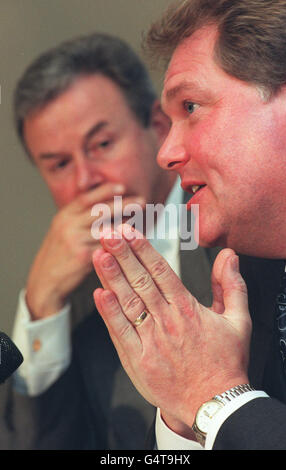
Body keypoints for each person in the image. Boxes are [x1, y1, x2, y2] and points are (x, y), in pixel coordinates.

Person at [0, 32, 219, 449]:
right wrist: (42, 303)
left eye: (102, 144)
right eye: (60, 164)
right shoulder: (76, 290)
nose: (86, 180)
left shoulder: (234, 227)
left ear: (157, 127)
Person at [92, 0, 286, 450]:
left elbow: (223, 402)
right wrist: (183, 414)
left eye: (192, 106)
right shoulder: (245, 284)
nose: (167, 152)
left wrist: (213, 396)